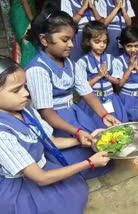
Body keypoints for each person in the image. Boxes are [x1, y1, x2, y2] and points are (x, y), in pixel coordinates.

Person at [0, 56, 110, 213]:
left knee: (74, 191)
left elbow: (50, 141)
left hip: (40, 169)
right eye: (16, 90)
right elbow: (40, 178)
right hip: (24, 184)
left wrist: (86, 138)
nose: (25, 93)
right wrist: (89, 163)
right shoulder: (2, 133)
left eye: (25, 86)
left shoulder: (26, 111)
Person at [25, 10, 120, 179]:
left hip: (74, 114)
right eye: (65, 40)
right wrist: (76, 132)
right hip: (55, 122)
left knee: (102, 152)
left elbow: (87, 93)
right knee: (76, 165)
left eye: (72, 39)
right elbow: (46, 112)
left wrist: (104, 115)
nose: (71, 45)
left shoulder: (71, 64)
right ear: (44, 40)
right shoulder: (38, 70)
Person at [77, 21, 128, 126]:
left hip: (111, 99)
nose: (101, 45)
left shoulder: (111, 59)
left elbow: (118, 82)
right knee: (95, 128)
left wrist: (107, 76)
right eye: (97, 42)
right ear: (88, 41)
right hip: (92, 100)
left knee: (116, 126)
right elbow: (82, 88)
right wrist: (98, 76)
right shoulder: (83, 62)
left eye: (104, 42)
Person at [9, 0, 37, 67]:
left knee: (26, 45)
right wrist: (32, 20)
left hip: (21, 14)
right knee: (28, 44)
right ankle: (27, 71)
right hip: (22, 15)